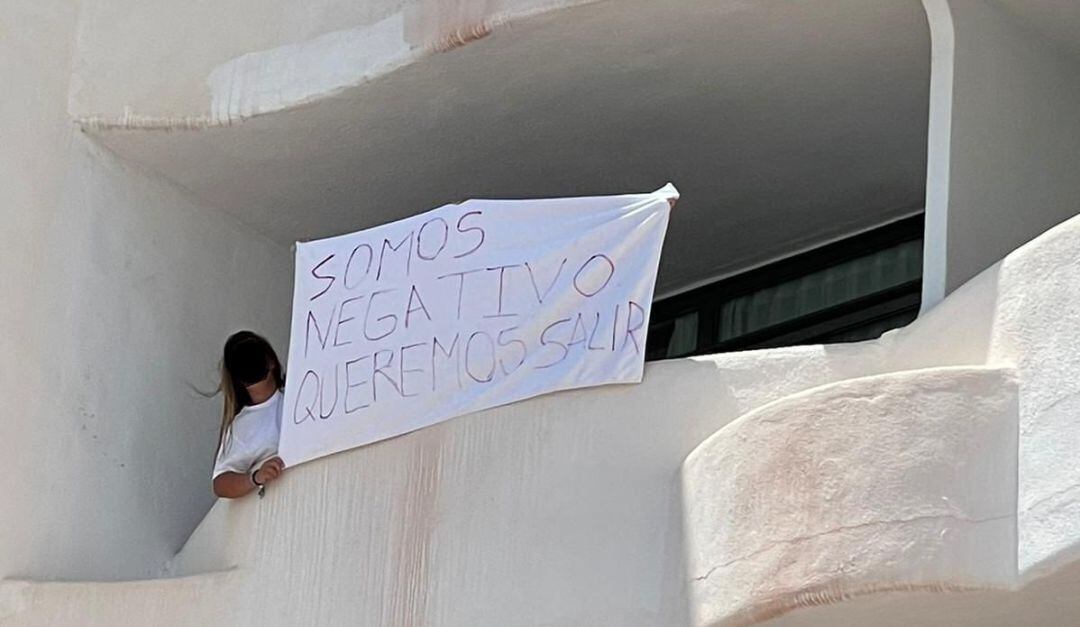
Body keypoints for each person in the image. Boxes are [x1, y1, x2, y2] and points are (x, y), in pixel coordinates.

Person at [210, 331, 287, 498]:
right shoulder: (240, 426)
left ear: (271, 361)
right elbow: (220, 482)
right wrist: (255, 477)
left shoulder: (299, 393)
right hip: (281, 501)